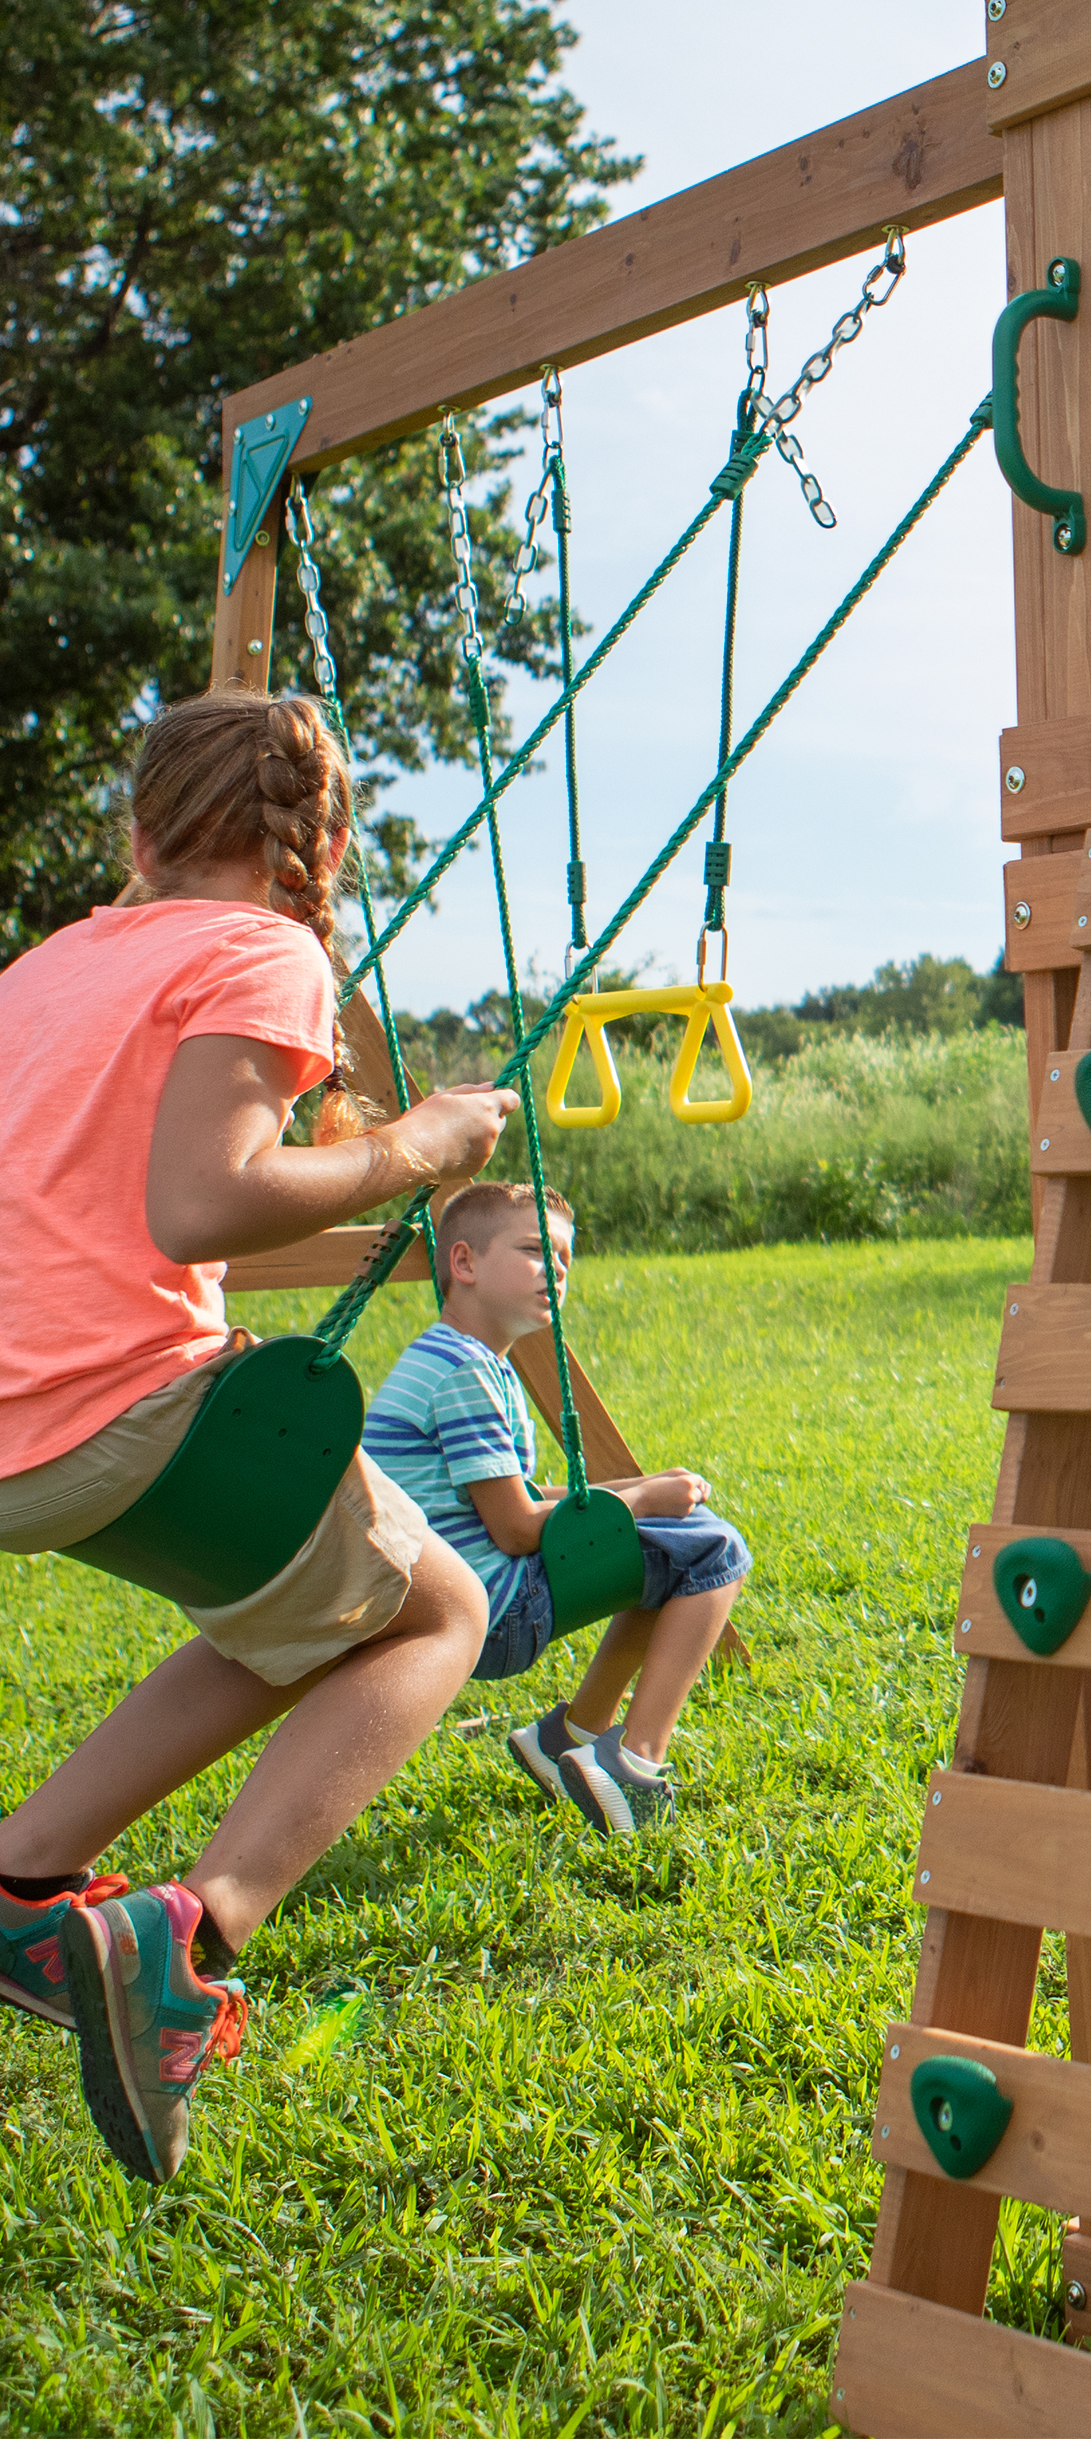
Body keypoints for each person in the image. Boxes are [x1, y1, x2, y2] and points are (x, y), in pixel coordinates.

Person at [0, 690, 509, 2182]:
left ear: (143, 829)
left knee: (284, 1608)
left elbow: (101, 1203)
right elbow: (202, 1204)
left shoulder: (47, 967)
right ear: (322, 841)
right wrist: (412, 1148)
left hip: (16, 1434)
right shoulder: (265, 950)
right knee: (442, 1613)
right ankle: (188, 1936)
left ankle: (24, 1874)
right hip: (118, 1412)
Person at [361, 1181, 749, 1836]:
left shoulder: (458, 1358)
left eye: (566, 1258)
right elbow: (513, 1529)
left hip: (458, 1592)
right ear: (465, 1264)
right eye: (537, 1251)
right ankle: (635, 1761)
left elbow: (520, 1497)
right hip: (487, 1608)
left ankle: (567, 1736)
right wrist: (642, 1499)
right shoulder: (464, 1372)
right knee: (716, 1552)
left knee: (677, 1540)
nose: (558, 1269)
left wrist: (642, 1494)